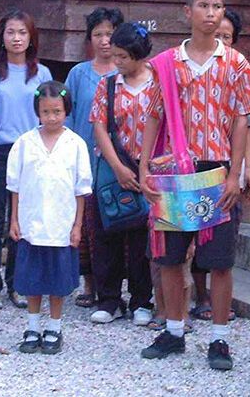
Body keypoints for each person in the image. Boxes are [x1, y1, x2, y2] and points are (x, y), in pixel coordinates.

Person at [138, 0, 250, 371]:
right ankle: (174, 331)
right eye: (204, 6)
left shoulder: (236, 63)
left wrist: (235, 174)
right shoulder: (166, 63)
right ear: (187, 11)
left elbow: (242, 119)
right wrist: (143, 166)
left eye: (218, 6)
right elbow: (154, 115)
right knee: (172, 258)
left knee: (220, 261)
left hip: (217, 169)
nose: (211, 13)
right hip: (175, 171)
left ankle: (219, 338)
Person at [0, 10, 53, 311]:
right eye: (10, 32)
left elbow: (49, 116)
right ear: (1, 37)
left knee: (23, 220)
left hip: (30, 151)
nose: (16, 38)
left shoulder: (41, 74)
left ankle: (18, 283)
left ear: (31, 38)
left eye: (22, 32)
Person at [8, 81, 93, 355]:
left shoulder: (75, 144)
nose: (52, 117)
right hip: (32, 224)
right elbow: (15, 186)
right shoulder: (24, 143)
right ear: (37, 112)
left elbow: (81, 190)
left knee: (57, 282)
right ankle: (32, 326)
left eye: (57, 111)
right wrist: (15, 221)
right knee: (32, 279)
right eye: (46, 112)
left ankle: (54, 327)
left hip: (61, 225)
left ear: (66, 111)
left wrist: (78, 225)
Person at [190, 8, 250, 323]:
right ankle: (199, 295)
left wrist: (245, 168)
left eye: (226, 36)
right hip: (198, 165)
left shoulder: (240, 69)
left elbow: (248, 125)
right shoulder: (194, 68)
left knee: (223, 237)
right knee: (196, 232)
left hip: (229, 166)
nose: (220, 40)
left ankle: (218, 308)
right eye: (217, 35)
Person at [87, 21, 155, 326]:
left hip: (150, 168)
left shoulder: (158, 83)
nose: (116, 62)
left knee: (143, 235)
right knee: (108, 231)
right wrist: (118, 167)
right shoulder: (108, 85)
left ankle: (143, 299)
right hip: (114, 167)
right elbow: (98, 125)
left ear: (138, 55)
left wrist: (145, 168)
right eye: (114, 56)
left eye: (122, 57)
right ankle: (110, 298)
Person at [64, 6, 123, 310]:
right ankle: (90, 284)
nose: (104, 40)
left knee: (119, 220)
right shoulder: (78, 73)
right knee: (87, 226)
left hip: (118, 163)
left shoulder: (127, 71)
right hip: (84, 158)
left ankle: (117, 288)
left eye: (109, 34)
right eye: (98, 34)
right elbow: (68, 116)